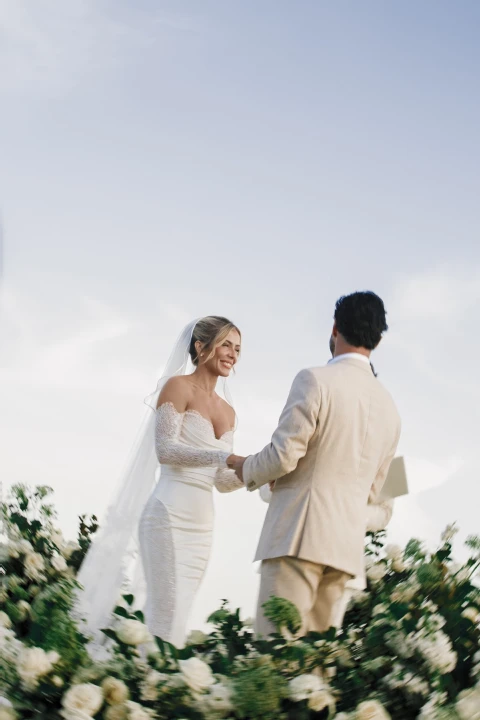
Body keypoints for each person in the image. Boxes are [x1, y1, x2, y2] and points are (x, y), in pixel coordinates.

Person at [229, 291, 401, 637]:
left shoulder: (313, 379)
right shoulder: (393, 411)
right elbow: (385, 500)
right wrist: (349, 516)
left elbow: (282, 456)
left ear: (335, 328)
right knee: (315, 669)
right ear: (378, 340)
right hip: (345, 553)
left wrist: (244, 466)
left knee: (275, 659)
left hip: (297, 538)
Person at [77, 317, 244, 651]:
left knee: (180, 618)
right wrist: (222, 458)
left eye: (238, 348)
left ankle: (156, 689)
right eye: (226, 344)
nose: (233, 354)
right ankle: (142, 688)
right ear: (201, 346)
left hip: (202, 527)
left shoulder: (229, 411)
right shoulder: (177, 387)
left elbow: (223, 482)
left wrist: (261, 472)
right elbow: (166, 451)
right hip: (167, 515)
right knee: (163, 615)